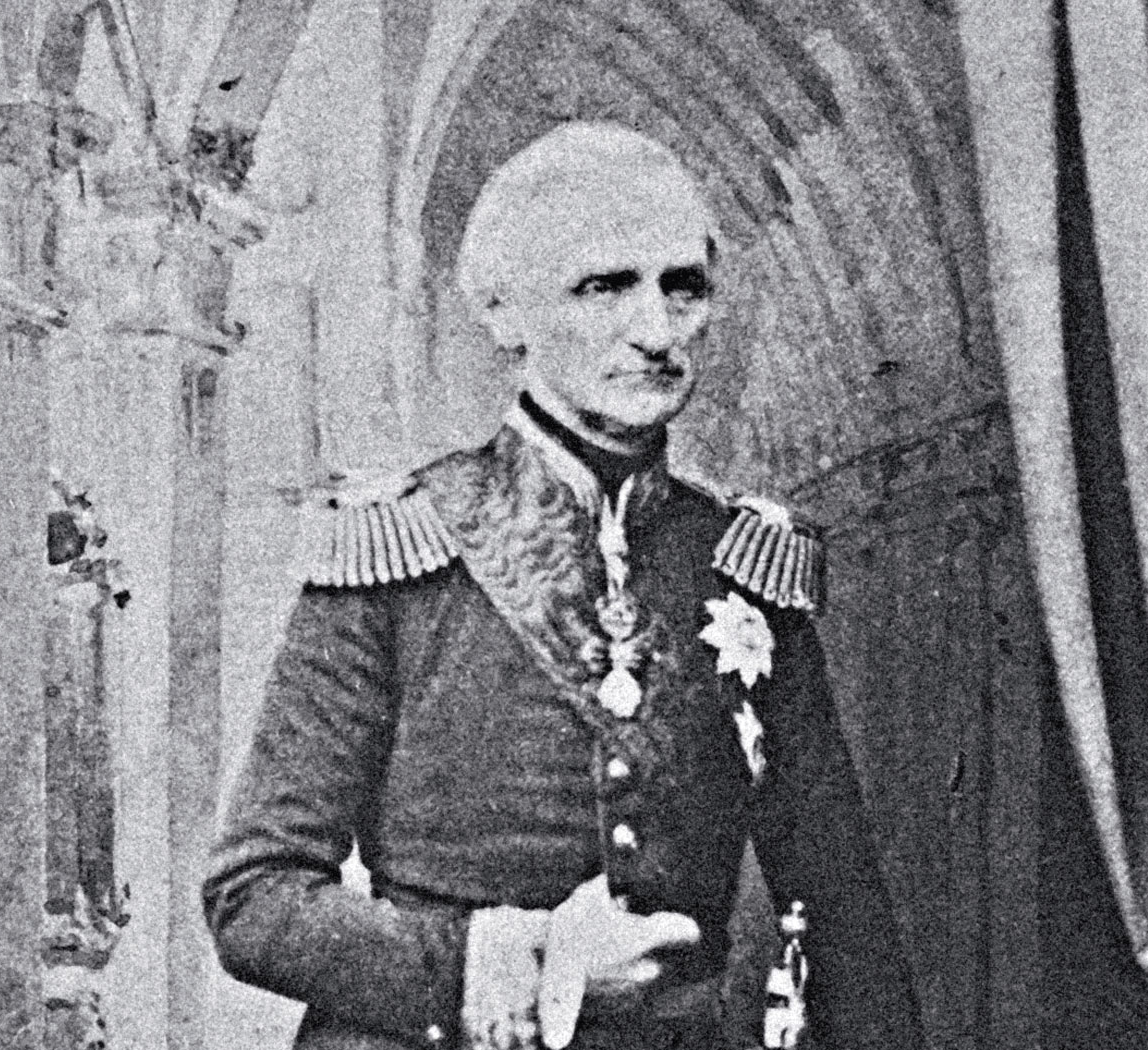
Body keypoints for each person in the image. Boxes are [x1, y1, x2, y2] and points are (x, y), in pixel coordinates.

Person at [203, 121, 923, 1050]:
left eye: (682, 287)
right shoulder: (395, 553)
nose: (655, 332)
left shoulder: (743, 565)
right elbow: (254, 899)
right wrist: (522, 960)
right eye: (603, 287)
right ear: (504, 312)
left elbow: (842, 917)